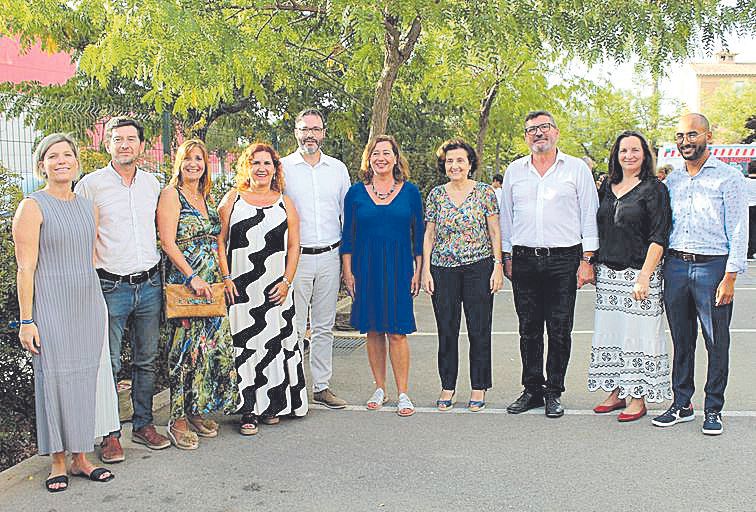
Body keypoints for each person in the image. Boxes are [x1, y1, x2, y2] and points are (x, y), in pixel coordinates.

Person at [13, 134, 116, 492]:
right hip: (50, 305)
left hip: (88, 304)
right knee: (54, 378)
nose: (61, 161)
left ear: (76, 162)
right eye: (52, 156)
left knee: (85, 378)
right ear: (41, 164)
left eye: (67, 155)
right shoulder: (32, 206)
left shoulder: (89, 207)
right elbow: (25, 268)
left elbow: (87, 259)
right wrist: (27, 320)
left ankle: (81, 458)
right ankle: (57, 460)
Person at [75, 117, 170, 461]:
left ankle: (143, 425)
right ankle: (110, 435)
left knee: (146, 361)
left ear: (142, 146)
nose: (125, 144)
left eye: (131, 139)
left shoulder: (152, 184)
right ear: (108, 145)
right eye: (118, 139)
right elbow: (82, 236)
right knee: (108, 364)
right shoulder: (91, 185)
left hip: (148, 284)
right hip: (109, 285)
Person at [652, 113, 748, 435]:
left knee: (716, 340)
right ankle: (682, 403)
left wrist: (731, 275)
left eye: (692, 135)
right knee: (682, 340)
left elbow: (738, 228)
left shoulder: (728, 177)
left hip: (713, 268)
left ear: (708, 135)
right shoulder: (674, 180)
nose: (685, 142)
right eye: (680, 136)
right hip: (677, 267)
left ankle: (713, 409)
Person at [500, 110, 599, 418]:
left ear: (556, 132)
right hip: (524, 259)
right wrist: (506, 256)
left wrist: (587, 259)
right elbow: (506, 216)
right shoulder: (515, 171)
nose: (538, 133)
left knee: (559, 329)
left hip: (564, 259)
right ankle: (532, 389)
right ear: (526, 136)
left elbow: (590, 214)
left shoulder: (576, 169)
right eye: (531, 129)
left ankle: (554, 391)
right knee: (528, 328)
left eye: (544, 127)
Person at [218, 142, 308, 435]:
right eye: (255, 162)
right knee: (244, 346)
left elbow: (294, 245)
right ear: (247, 166)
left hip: (275, 289)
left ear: (275, 168)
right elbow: (219, 241)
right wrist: (226, 277)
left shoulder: (285, 202)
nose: (261, 168)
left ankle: (274, 404)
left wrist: (286, 282)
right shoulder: (233, 198)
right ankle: (246, 409)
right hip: (240, 289)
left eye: (267, 163)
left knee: (273, 345)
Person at [156, 139, 238, 449]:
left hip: (212, 284)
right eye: (188, 158)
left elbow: (217, 242)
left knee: (207, 350)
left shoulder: (205, 196)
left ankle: (195, 409)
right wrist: (192, 277)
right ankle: (176, 420)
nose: (194, 164)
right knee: (184, 352)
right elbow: (168, 242)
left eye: (199, 159)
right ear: (179, 162)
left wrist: (224, 277)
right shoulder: (171, 195)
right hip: (187, 285)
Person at [588, 131, 672, 422]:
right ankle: (615, 392)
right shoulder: (607, 187)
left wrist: (645, 275)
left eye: (635, 150)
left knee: (639, 337)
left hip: (640, 274)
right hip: (608, 275)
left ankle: (638, 398)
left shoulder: (654, 189)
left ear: (645, 155)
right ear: (616, 155)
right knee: (612, 335)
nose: (629, 156)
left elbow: (659, 236)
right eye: (624, 150)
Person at [341, 135, 424, 417]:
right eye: (376, 153)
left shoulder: (410, 192)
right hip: (366, 267)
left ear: (396, 158)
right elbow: (348, 235)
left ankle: (403, 392)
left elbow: (419, 236)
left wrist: (419, 269)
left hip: (400, 266)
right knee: (373, 329)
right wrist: (347, 270)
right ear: (369, 158)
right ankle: (379, 387)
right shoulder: (355, 193)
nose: (381, 158)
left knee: (398, 332)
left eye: (387, 153)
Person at [422, 139, 503, 411]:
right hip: (442, 270)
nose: (454, 165)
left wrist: (498, 266)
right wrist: (426, 272)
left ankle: (478, 387)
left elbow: (494, 232)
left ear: (470, 164)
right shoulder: (435, 195)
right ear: (444, 165)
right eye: (449, 161)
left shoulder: (484, 193)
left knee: (479, 329)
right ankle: (448, 386)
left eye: (460, 160)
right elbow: (429, 234)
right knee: (447, 330)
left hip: (478, 268)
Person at [281, 108, 351, 409]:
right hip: (296, 259)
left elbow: (347, 215)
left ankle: (322, 386)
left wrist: (348, 262)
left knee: (324, 325)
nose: (310, 134)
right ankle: (293, 388)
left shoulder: (337, 169)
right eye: (304, 128)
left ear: (323, 133)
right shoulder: (282, 168)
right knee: (294, 327)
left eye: (316, 129)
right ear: (296, 132)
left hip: (330, 256)